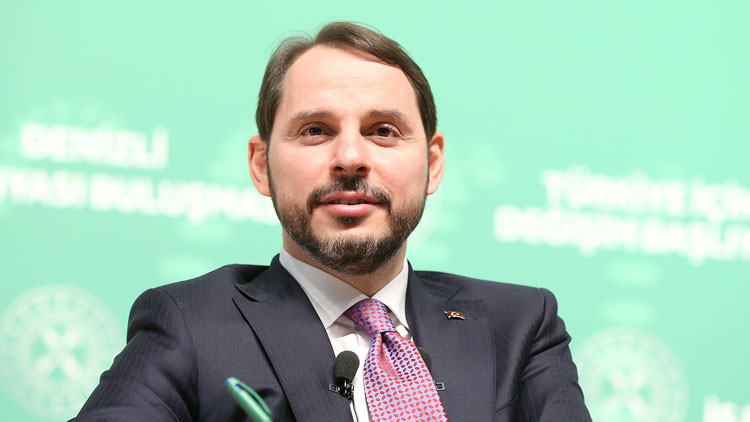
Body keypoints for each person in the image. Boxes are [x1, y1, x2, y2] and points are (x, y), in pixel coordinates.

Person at [73, 22, 591, 422]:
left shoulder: (519, 325)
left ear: (433, 164)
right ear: (262, 165)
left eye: (383, 131)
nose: (349, 158)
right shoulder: (190, 325)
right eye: (315, 131)